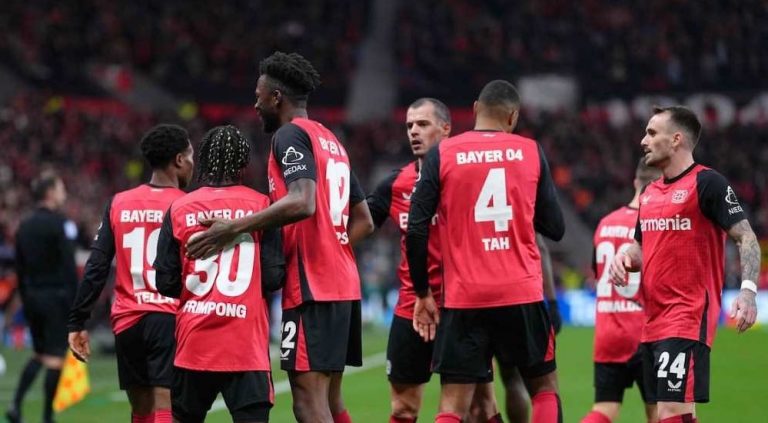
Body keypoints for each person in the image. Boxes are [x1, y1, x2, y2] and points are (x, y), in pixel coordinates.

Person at [185, 52, 373, 423]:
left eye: (259, 96)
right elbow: (364, 220)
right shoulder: (331, 140)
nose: (255, 105)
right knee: (332, 400)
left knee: (307, 403)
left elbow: (303, 202)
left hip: (312, 289)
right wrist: (332, 250)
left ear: (276, 97)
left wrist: (234, 227)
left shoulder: (289, 135)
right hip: (343, 285)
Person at [406, 80, 565, 423]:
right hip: (521, 292)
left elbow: (416, 227)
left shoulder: (443, 153)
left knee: (453, 405)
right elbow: (555, 228)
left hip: (465, 297)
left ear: (476, 109)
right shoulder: (530, 150)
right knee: (543, 388)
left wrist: (422, 292)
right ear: (513, 117)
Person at [609, 106, 760, 423]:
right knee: (677, 412)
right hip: (652, 320)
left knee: (669, 412)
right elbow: (640, 247)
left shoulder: (707, 183)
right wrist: (625, 256)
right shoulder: (649, 193)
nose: (643, 141)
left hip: (687, 315)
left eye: (652, 133)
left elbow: (746, 237)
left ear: (676, 139)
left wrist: (748, 291)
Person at [154, 125, 285, 423]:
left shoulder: (179, 208)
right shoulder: (262, 207)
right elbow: (273, 277)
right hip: (245, 345)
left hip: (194, 344)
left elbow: (165, 281)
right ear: (243, 162)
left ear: (203, 159)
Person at [67, 124, 194, 423]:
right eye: (190, 156)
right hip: (170, 318)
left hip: (127, 322)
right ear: (178, 160)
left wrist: (77, 321)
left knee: (141, 409)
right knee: (166, 405)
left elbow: (97, 266)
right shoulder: (186, 205)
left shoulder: (119, 202)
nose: (193, 163)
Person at [581, 159, 660, 423]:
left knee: (604, 409)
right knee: (659, 411)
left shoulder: (605, 223)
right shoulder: (654, 225)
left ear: (636, 182)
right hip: (645, 333)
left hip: (608, 332)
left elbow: (597, 274)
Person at [7, 171, 78, 423]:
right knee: (55, 358)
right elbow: (68, 266)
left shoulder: (24, 225)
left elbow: (19, 266)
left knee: (39, 353)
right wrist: (77, 303)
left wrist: (25, 297)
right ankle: (48, 417)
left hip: (32, 297)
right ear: (50, 192)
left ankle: (15, 405)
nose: (64, 193)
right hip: (56, 297)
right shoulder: (60, 224)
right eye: (60, 188)